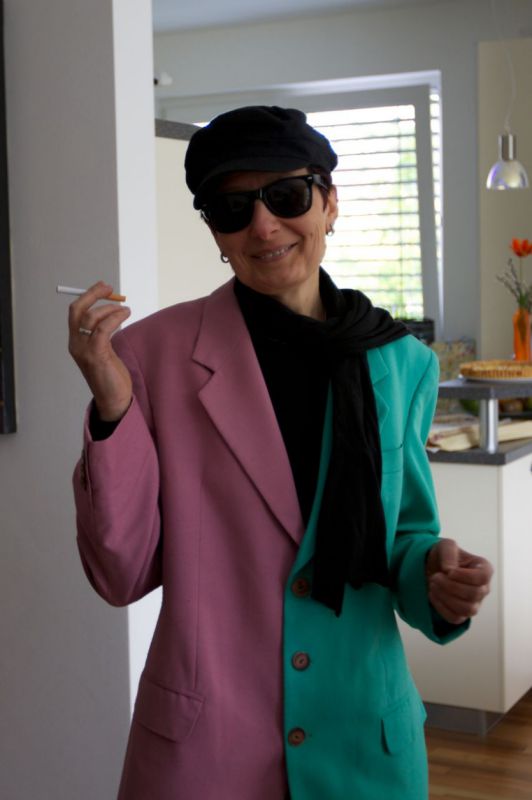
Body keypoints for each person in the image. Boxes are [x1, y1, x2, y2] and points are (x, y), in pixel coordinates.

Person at [68, 106, 493, 800]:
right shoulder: (148, 357)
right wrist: (113, 408)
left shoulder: (401, 362)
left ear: (329, 203)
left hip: (363, 739)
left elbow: (403, 538)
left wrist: (436, 580)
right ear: (216, 233)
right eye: (233, 210)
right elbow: (121, 574)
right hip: (208, 749)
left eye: (287, 196)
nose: (263, 226)